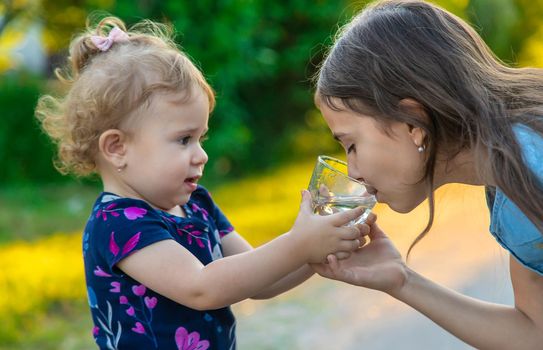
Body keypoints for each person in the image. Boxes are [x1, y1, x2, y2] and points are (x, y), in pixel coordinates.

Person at [35, 16, 367, 349]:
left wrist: (319, 251)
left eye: (200, 138)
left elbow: (260, 280)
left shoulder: (197, 205)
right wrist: (300, 243)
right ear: (117, 148)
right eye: (183, 140)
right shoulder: (117, 223)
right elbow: (202, 287)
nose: (202, 155)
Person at [312, 0, 543, 348]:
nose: (354, 172)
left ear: (412, 123)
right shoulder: (507, 174)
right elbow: (535, 333)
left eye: (351, 145)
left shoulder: (532, 163)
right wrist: (401, 281)